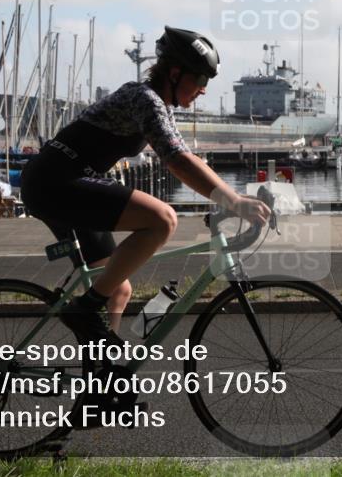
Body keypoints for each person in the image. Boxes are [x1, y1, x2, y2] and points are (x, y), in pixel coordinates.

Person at [20, 26, 271, 344]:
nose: (204, 90)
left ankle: (104, 370)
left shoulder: (157, 104)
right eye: (201, 79)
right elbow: (178, 160)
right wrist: (234, 201)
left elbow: (185, 156)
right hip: (55, 182)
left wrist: (231, 197)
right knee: (162, 219)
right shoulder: (144, 99)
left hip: (61, 181)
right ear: (175, 73)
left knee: (117, 289)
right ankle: (84, 309)